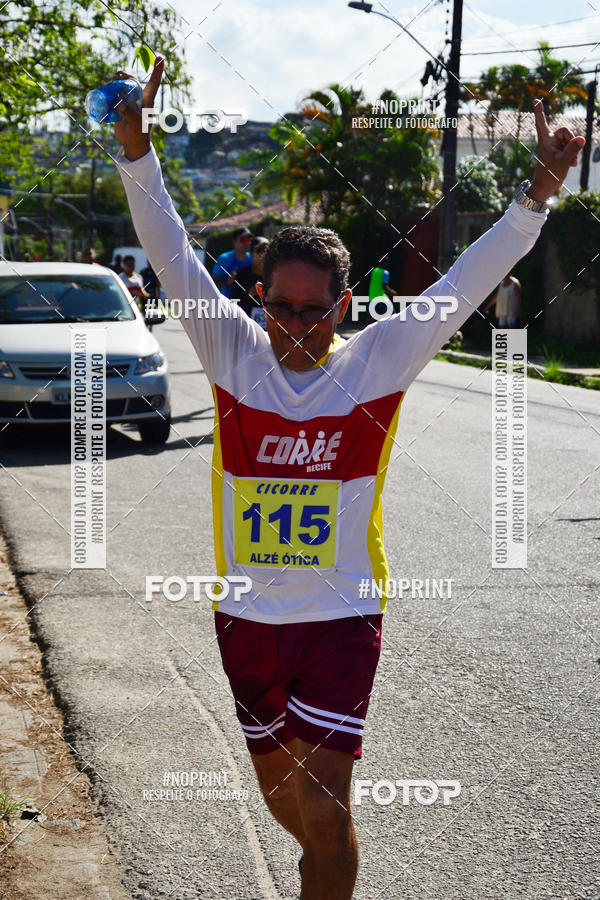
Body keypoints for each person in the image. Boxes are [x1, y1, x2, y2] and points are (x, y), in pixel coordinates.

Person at [114, 56, 584, 900]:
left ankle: (327, 868)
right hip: (247, 618)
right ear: (259, 300)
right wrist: (135, 148)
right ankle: (325, 869)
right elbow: (172, 250)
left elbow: (462, 282)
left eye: (315, 311)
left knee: (325, 812)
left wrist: (538, 195)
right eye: (281, 307)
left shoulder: (376, 361)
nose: (296, 327)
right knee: (286, 805)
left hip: (342, 615)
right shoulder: (229, 352)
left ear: (344, 306)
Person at [230, 235, 268, 318]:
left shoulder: (274, 275)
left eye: (267, 250)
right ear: (251, 253)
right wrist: (250, 294)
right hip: (247, 324)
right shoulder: (241, 275)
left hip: (271, 325)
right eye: (260, 250)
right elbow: (233, 303)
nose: (264, 254)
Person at [211, 227, 253, 297]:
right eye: (242, 240)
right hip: (227, 303)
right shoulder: (224, 259)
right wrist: (227, 282)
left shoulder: (253, 259)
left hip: (246, 305)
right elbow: (212, 283)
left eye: (249, 240)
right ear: (234, 242)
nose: (246, 243)